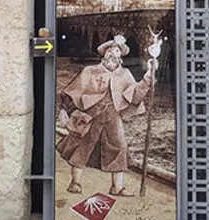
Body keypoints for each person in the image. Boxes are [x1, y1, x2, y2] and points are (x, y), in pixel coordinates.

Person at [57, 34, 155, 197]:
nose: (112, 53)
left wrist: (148, 77)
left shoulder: (124, 74)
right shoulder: (90, 71)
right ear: (104, 53)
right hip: (89, 114)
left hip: (113, 116)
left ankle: (117, 187)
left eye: (116, 50)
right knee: (82, 146)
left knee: (120, 147)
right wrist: (63, 110)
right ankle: (75, 182)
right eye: (109, 50)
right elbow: (72, 92)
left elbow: (135, 94)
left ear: (120, 56)